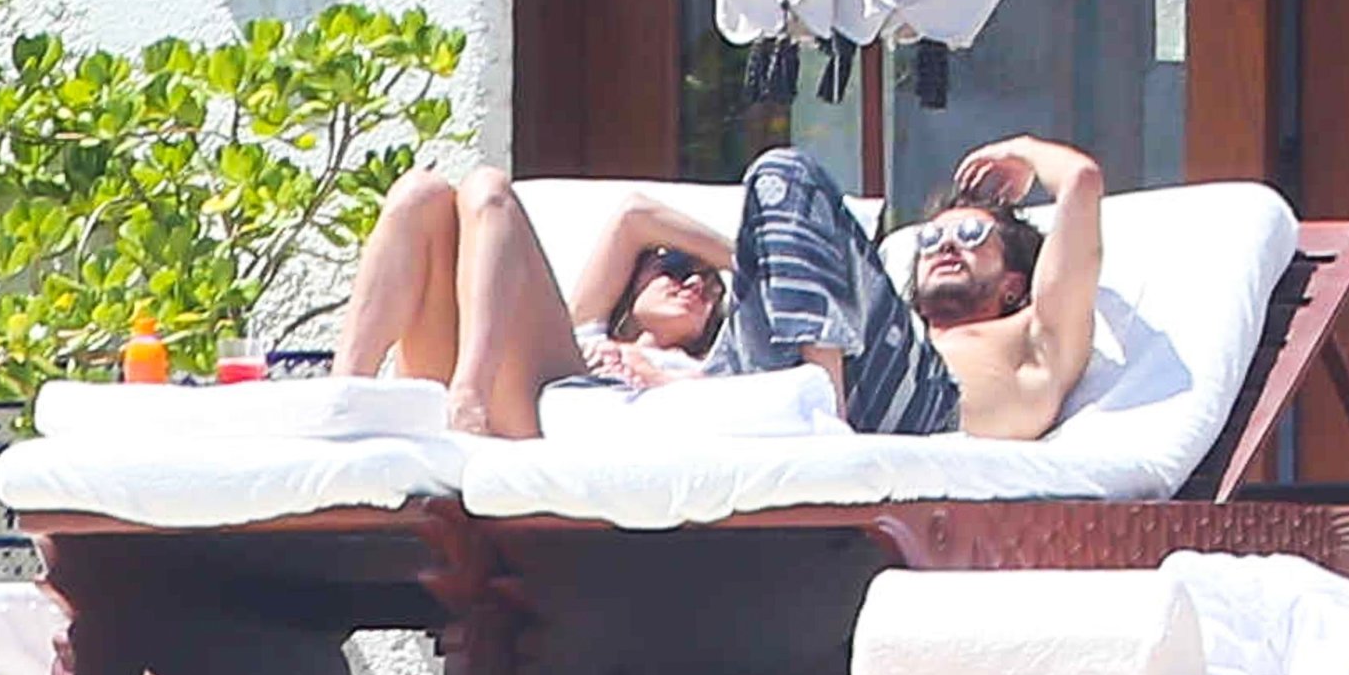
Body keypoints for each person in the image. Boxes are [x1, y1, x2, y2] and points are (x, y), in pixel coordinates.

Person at [703, 137, 1101, 439]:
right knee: (767, 205)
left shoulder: (1038, 336)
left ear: (1014, 285)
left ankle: (823, 414)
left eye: (971, 234)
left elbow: (1081, 181)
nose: (945, 245)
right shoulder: (875, 331)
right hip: (826, 382)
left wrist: (1022, 150)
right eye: (929, 239)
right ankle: (804, 401)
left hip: (928, 407)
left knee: (787, 172)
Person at [333, 166, 733, 437]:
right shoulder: (585, 324)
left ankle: (469, 396)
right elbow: (635, 216)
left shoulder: (710, 368)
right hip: (475, 383)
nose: (695, 283)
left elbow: (722, 408)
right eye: (676, 267)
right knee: (421, 192)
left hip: (549, 413)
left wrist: (654, 376)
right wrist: (741, 259)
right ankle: (341, 398)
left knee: (490, 186)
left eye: (713, 289)